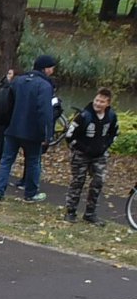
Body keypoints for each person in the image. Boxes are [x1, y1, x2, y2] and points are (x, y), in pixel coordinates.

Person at [0, 54, 59, 203]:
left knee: (6, 161)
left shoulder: (18, 81)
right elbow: (45, 112)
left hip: (13, 128)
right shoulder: (44, 86)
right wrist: (47, 134)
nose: (52, 71)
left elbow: (7, 103)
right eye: (51, 68)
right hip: (32, 132)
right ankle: (30, 193)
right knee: (33, 161)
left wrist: (7, 122)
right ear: (46, 69)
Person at [63, 87, 118, 224]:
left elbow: (114, 133)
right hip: (81, 155)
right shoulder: (84, 116)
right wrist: (83, 148)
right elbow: (69, 136)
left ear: (108, 103)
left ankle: (90, 213)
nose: (98, 104)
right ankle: (71, 212)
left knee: (98, 182)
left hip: (100, 156)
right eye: (97, 100)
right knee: (77, 182)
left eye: (102, 102)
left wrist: (105, 146)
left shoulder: (111, 116)